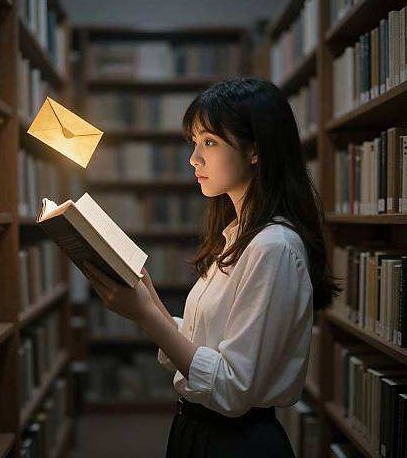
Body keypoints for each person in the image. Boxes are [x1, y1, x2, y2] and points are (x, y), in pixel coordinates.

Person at [83, 78, 340, 457]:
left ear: (255, 150)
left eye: (210, 142)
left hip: (236, 442)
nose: (194, 158)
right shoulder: (237, 236)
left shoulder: (273, 247)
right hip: (199, 430)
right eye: (194, 142)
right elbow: (200, 346)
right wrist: (146, 299)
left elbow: (232, 387)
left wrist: (145, 315)